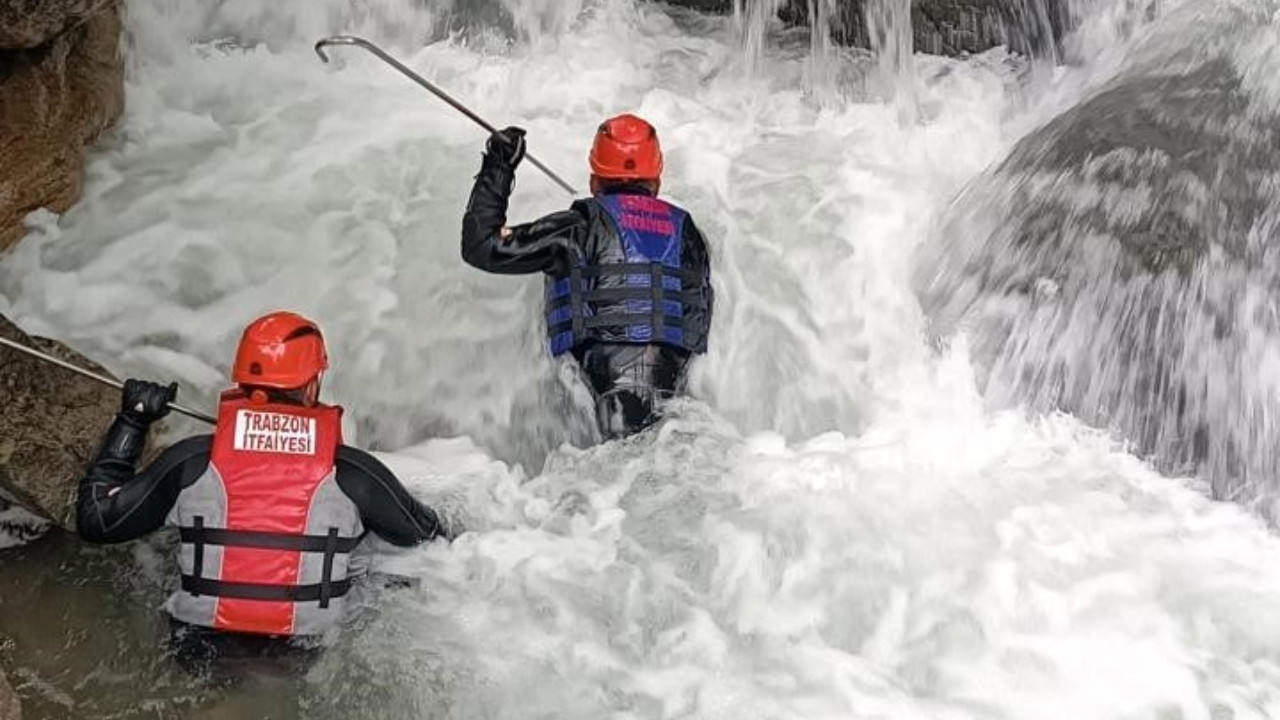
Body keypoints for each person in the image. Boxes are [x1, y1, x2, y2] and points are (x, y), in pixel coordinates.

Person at [76, 311, 447, 677]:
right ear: (311, 386)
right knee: (376, 560)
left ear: (241, 382)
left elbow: (96, 520)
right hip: (302, 656)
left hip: (198, 649)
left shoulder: (189, 461)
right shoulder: (355, 473)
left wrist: (133, 420)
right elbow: (432, 540)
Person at [461, 113, 714, 439]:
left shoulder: (578, 227)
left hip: (592, 401)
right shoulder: (692, 236)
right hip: (676, 413)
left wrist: (499, 165)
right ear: (657, 182)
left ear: (595, 181)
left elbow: (482, 246)